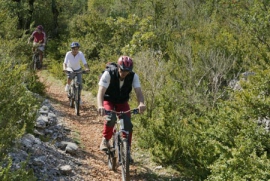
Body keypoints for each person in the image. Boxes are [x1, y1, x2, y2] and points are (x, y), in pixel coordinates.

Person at [97, 55, 146, 161]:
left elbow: (138, 92)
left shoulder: (133, 76)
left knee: (127, 125)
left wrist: (141, 103)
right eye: (122, 70)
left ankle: (127, 150)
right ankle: (105, 139)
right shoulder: (109, 73)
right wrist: (100, 106)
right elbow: (101, 91)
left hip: (122, 101)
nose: (124, 73)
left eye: (127, 71)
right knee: (111, 118)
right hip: (109, 99)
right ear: (118, 67)